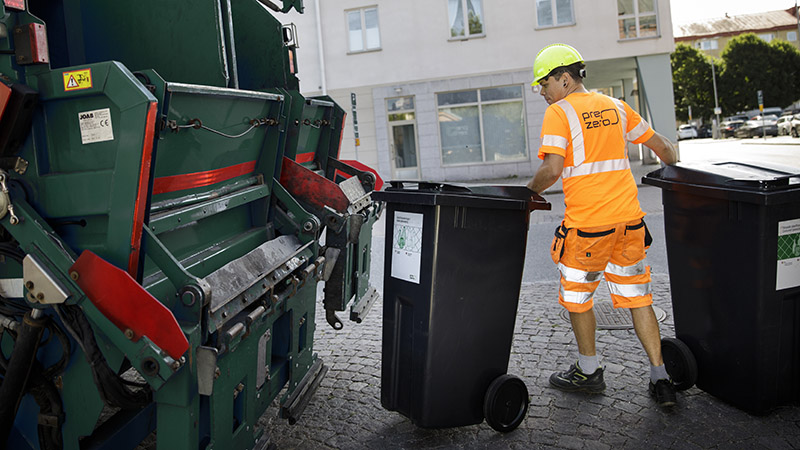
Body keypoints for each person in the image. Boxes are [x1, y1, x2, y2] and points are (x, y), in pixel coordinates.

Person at [526, 43, 679, 407]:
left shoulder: (559, 112)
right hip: (629, 225)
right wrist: (674, 169)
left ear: (565, 79)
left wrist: (524, 196)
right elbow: (665, 149)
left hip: (587, 230)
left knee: (578, 299)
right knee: (639, 298)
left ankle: (589, 371)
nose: (542, 92)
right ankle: (660, 377)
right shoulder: (617, 106)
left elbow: (551, 169)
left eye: (544, 84)